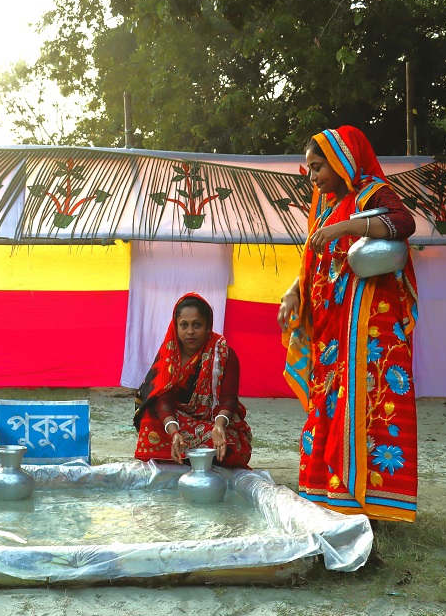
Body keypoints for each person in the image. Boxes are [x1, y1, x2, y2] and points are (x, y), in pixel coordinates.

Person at [279, 125, 419, 523]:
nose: (312, 176)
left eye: (318, 167)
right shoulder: (325, 208)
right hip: (331, 330)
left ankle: (367, 503)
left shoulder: (371, 194)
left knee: (366, 404)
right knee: (327, 405)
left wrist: (345, 226)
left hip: (366, 329)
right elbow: (317, 260)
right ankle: (327, 496)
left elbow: (403, 223)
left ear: (343, 161)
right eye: (309, 169)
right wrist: (293, 291)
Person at [133, 293, 253, 468]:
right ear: (176, 326)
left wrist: (219, 426)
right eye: (184, 325)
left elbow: (229, 398)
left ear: (208, 326)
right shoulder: (169, 355)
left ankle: (182, 457)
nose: (190, 331)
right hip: (178, 422)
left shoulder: (223, 353)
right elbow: (162, 397)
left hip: (214, 421)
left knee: (232, 447)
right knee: (150, 418)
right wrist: (174, 432)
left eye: (197, 325)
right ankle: (183, 453)